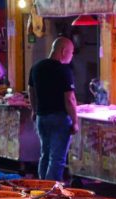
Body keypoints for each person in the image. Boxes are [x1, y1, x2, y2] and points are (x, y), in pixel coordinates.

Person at [28, 37, 78, 181]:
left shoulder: (36, 67)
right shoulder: (63, 70)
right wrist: (75, 121)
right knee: (57, 158)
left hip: (41, 118)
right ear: (63, 51)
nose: (72, 55)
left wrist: (35, 110)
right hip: (59, 119)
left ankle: (41, 187)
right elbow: (69, 99)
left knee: (45, 154)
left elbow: (31, 91)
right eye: (71, 52)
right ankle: (51, 192)